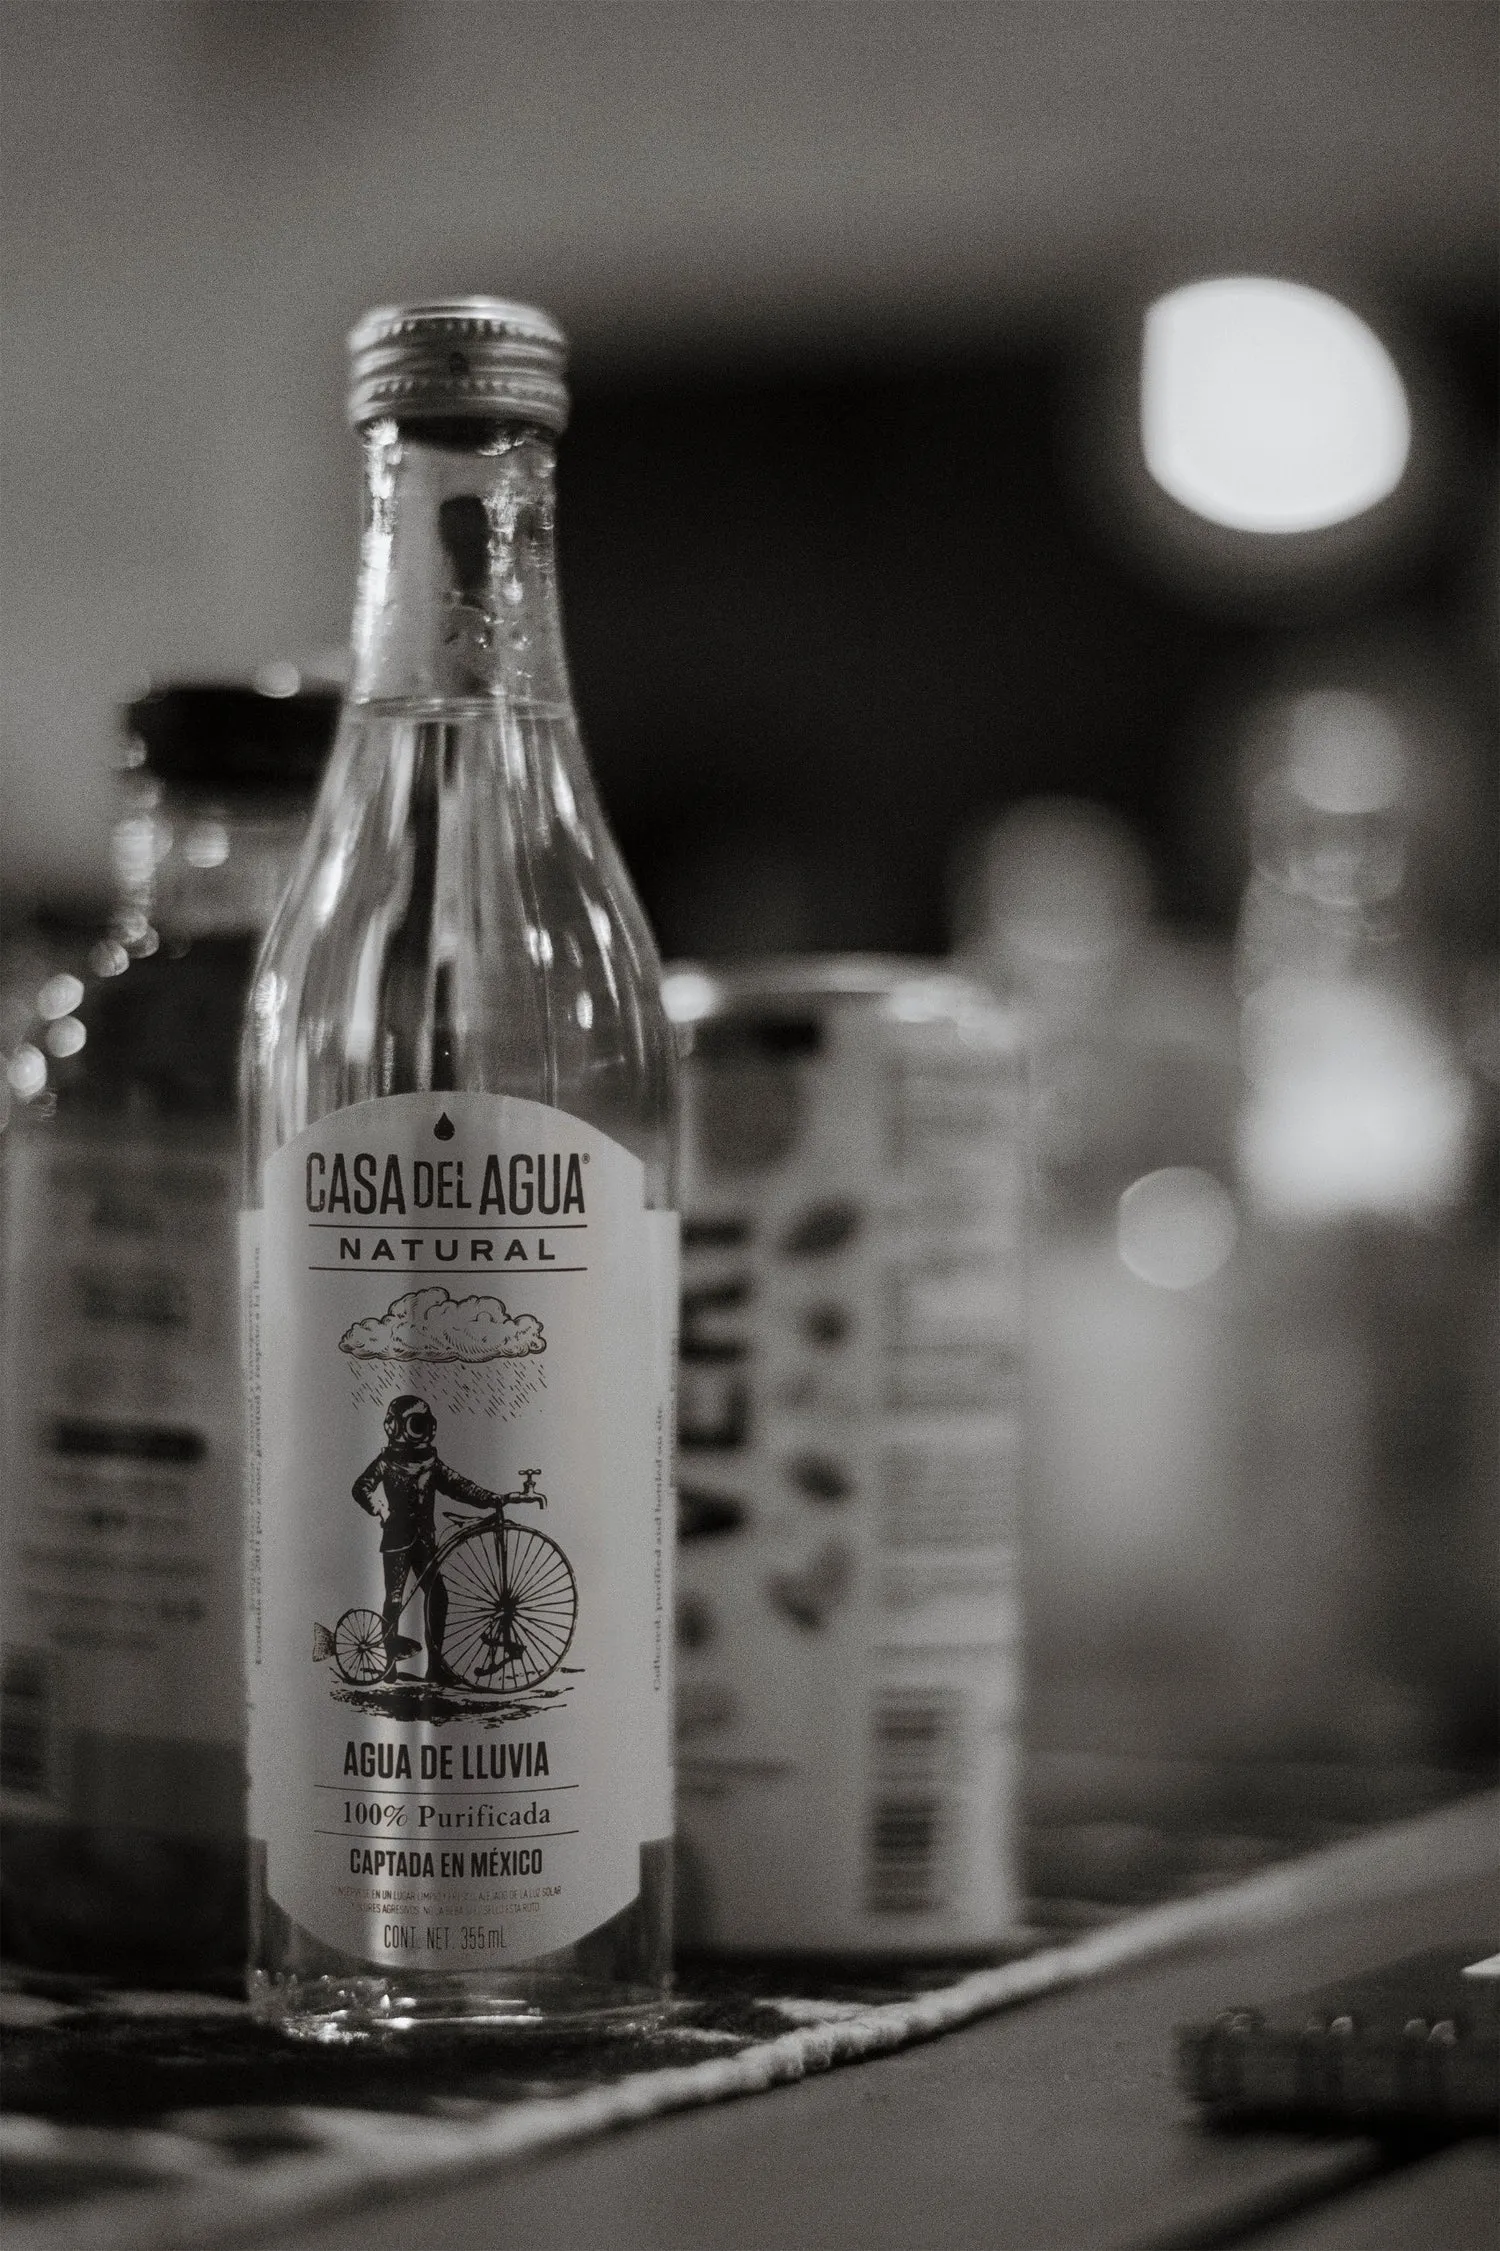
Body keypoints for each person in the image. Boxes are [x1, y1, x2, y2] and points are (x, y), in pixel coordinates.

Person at [351, 1394, 531, 1685]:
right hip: (397, 1541)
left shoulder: (431, 1464)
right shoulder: (387, 1462)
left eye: (422, 1424)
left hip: (425, 1542)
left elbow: (460, 1487)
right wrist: (379, 1508)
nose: (418, 1430)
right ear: (395, 1426)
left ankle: (436, 1666)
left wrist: (495, 1499)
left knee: (438, 1598)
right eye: (413, 1424)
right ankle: (389, 1664)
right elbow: (361, 1487)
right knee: (395, 1599)